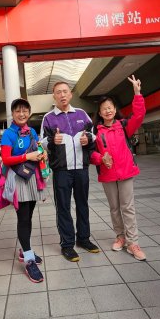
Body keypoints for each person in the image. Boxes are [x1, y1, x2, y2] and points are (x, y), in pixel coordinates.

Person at [40, 82, 99, 262]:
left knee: (83, 204)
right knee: (63, 208)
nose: (62, 95)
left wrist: (87, 138)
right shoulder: (48, 118)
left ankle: (84, 239)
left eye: (65, 92)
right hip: (62, 171)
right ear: (54, 96)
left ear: (70, 94)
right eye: (58, 92)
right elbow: (41, 142)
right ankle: (67, 245)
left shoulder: (82, 114)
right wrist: (52, 140)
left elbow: (94, 136)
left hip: (81, 168)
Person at [90, 75, 146, 261]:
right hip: (108, 175)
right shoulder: (96, 132)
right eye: (104, 108)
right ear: (99, 111)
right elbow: (90, 153)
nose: (108, 110)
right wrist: (100, 158)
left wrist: (137, 93)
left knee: (127, 207)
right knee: (114, 208)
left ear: (115, 109)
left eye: (110, 107)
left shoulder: (124, 126)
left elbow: (138, 115)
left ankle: (133, 243)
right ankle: (120, 237)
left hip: (126, 173)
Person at [0, 98, 46, 283]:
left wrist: (41, 154)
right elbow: (6, 159)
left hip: (32, 178)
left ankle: (24, 249)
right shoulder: (8, 134)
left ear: (29, 113)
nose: (22, 114)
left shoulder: (32, 131)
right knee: (23, 218)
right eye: (18, 111)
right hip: (18, 180)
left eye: (25, 111)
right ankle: (28, 259)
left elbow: (37, 149)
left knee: (29, 216)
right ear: (13, 113)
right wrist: (28, 155)